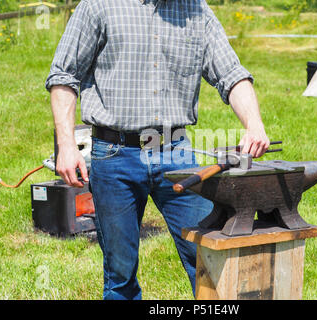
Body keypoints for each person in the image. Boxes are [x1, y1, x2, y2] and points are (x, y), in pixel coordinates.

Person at [46, 0, 270, 300]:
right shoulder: (99, 5)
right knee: (120, 272)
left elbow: (231, 73)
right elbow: (64, 75)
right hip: (114, 154)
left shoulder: (196, 10)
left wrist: (254, 123)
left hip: (176, 153)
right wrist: (66, 144)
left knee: (211, 257)